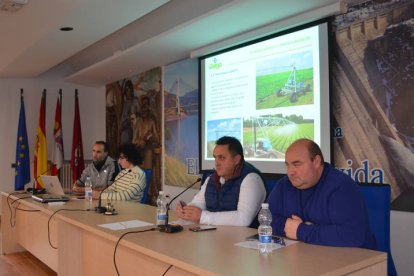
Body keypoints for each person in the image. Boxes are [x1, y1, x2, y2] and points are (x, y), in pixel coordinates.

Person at [267, 138, 376, 249]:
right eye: (288, 165)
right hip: (306, 255)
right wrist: (296, 229)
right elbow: (266, 220)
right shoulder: (284, 185)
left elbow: (352, 235)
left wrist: (301, 231)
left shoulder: (341, 187)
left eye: (296, 165)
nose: (290, 172)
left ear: (316, 162)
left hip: (354, 260)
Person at [176, 136, 266, 226]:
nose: (216, 163)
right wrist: (186, 210)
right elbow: (199, 203)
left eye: (221, 158)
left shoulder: (252, 179)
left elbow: (243, 219)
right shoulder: (212, 178)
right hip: (215, 235)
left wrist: (202, 216)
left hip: (243, 238)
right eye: (215, 157)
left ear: (236, 159)